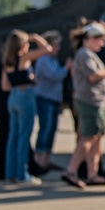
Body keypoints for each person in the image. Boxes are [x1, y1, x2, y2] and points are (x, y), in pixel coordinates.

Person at [62, 23, 105, 189]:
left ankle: (92, 173)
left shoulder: (88, 54)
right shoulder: (85, 55)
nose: (102, 44)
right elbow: (92, 76)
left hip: (97, 101)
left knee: (95, 137)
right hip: (90, 101)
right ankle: (71, 170)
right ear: (91, 39)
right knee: (88, 137)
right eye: (100, 40)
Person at [1, 30, 54, 184]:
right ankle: (22, 174)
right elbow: (48, 50)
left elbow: (5, 86)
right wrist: (37, 38)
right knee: (24, 137)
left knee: (13, 137)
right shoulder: (23, 58)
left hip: (13, 97)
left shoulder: (7, 61)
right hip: (25, 96)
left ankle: (10, 172)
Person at [32, 30, 68, 171]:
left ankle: (46, 159)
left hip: (54, 99)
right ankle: (38, 160)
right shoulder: (43, 60)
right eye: (55, 46)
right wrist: (66, 68)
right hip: (44, 98)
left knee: (52, 129)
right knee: (45, 128)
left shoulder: (53, 60)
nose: (58, 49)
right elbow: (54, 76)